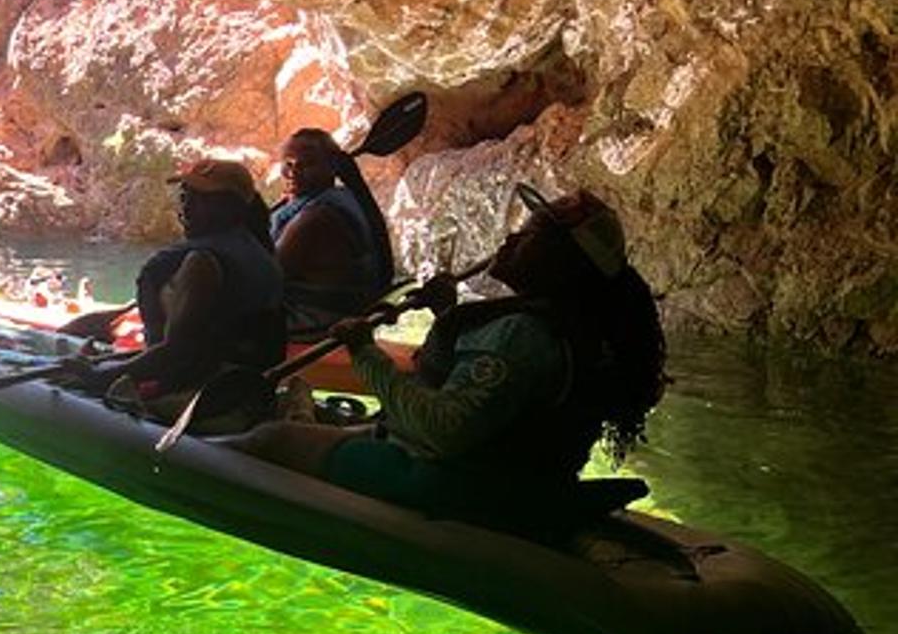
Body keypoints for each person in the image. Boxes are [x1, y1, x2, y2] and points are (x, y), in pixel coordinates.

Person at [232, 184, 668, 511]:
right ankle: (299, 419)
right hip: (507, 478)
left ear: (561, 265)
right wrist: (446, 314)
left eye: (530, 236)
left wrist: (364, 352)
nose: (512, 239)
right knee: (317, 416)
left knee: (269, 439)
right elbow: (498, 392)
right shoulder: (570, 329)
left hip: (461, 484)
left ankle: (202, 453)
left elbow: (445, 430)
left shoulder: (522, 333)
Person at [65, 157, 284, 418]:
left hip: (204, 397)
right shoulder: (262, 255)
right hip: (245, 388)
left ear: (229, 208)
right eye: (184, 196)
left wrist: (98, 375)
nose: (186, 208)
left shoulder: (202, 263)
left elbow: (176, 352)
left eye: (200, 199)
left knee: (78, 379)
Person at [270, 128, 394, 331]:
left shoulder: (316, 217)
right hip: (334, 305)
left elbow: (269, 276)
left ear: (331, 168)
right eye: (288, 164)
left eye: (307, 164)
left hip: (315, 314)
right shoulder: (339, 196)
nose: (293, 172)